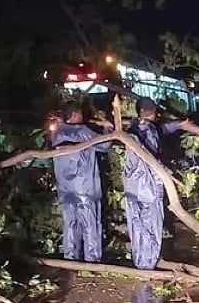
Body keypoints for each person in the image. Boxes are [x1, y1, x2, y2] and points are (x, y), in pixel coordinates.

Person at [121, 97, 183, 269]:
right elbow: (152, 158)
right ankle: (148, 263)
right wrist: (167, 171)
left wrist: (178, 124)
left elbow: (162, 129)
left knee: (136, 225)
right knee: (152, 225)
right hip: (149, 186)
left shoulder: (132, 129)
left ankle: (140, 261)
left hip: (133, 186)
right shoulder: (149, 131)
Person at [51, 100, 113, 262]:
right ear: (74, 115)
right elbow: (105, 145)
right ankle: (92, 260)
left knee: (70, 224)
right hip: (85, 188)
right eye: (79, 113)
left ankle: (70, 258)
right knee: (90, 225)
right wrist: (108, 127)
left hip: (65, 189)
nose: (82, 115)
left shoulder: (56, 133)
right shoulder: (82, 131)